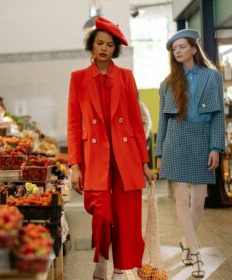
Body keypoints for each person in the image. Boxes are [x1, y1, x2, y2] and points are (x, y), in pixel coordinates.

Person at [67, 17, 156, 280]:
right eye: (99, 43)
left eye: (109, 44)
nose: (104, 48)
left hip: (125, 157)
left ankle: (119, 269)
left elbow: (136, 124)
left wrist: (144, 163)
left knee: (126, 218)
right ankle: (102, 259)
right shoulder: (79, 79)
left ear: (115, 49)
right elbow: (73, 124)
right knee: (103, 214)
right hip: (94, 158)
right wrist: (74, 165)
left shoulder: (126, 78)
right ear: (92, 47)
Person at [155, 29, 225, 279]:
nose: (178, 51)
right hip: (176, 139)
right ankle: (195, 256)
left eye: (183, 46)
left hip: (202, 139)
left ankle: (186, 242)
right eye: (175, 49)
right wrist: (159, 152)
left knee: (199, 201)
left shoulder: (212, 77)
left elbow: (217, 116)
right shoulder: (167, 83)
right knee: (181, 200)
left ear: (194, 49)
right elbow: (163, 121)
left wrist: (216, 147)